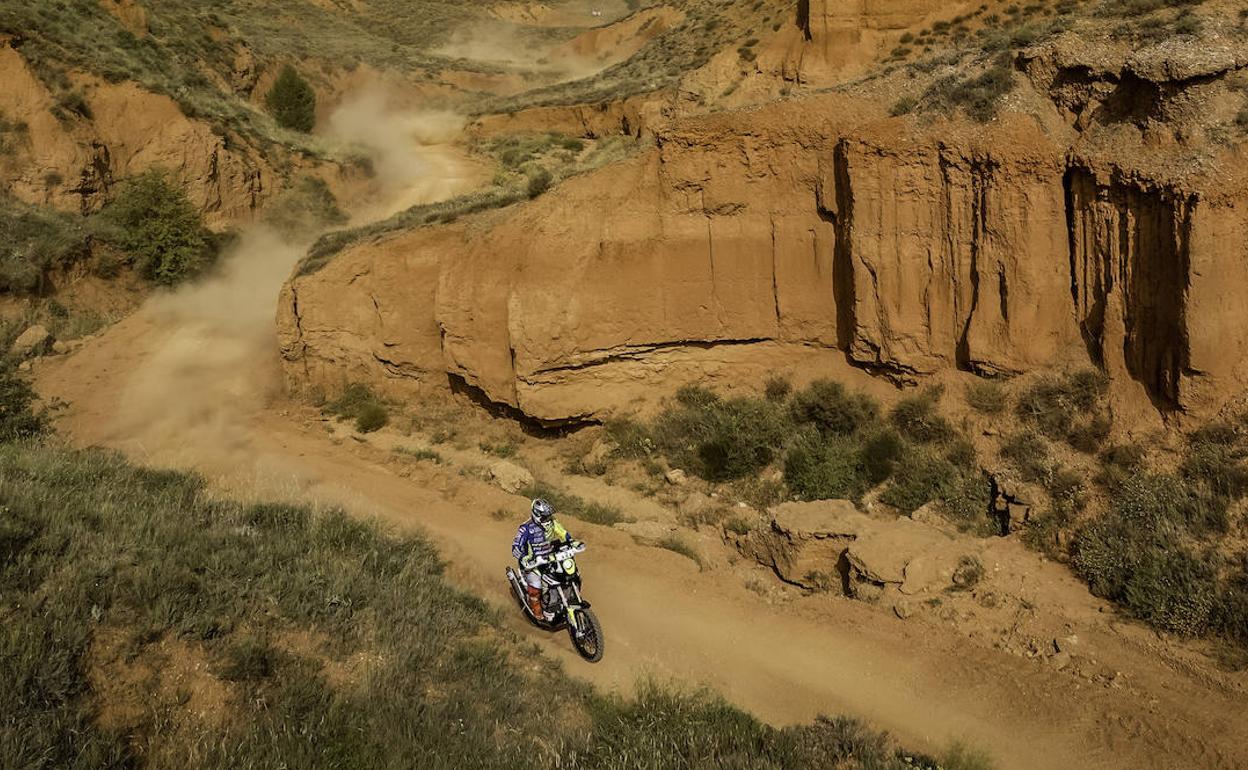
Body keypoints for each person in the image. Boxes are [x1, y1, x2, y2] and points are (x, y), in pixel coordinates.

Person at [512, 498, 575, 618]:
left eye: (549, 516)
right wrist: (524, 559)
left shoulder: (553, 522)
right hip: (533, 563)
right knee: (536, 588)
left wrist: (571, 543)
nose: (548, 519)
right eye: (545, 516)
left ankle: (565, 599)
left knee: (567, 574)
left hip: (551, 558)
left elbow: (563, 533)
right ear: (537, 515)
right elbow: (515, 546)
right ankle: (537, 613)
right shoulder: (526, 528)